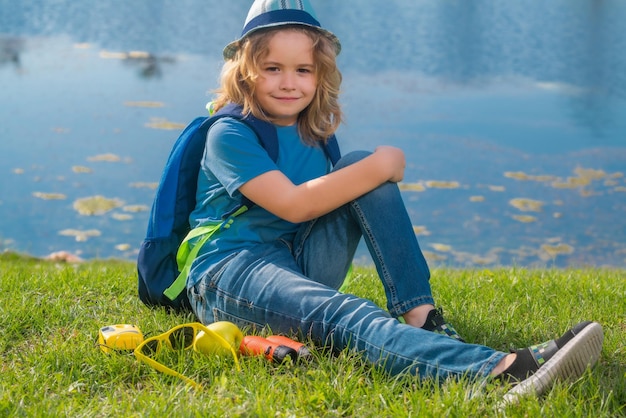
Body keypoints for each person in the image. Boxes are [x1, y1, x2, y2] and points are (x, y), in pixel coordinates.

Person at [185, 0, 603, 402]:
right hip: (231, 271)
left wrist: (373, 169)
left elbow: (339, 194)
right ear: (245, 73)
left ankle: (423, 318)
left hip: (295, 259)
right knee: (347, 313)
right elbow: (294, 205)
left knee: (360, 168)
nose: (289, 82)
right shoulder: (230, 134)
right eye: (272, 68)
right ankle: (501, 370)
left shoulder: (313, 132)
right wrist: (385, 163)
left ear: (321, 74)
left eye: (303, 70)